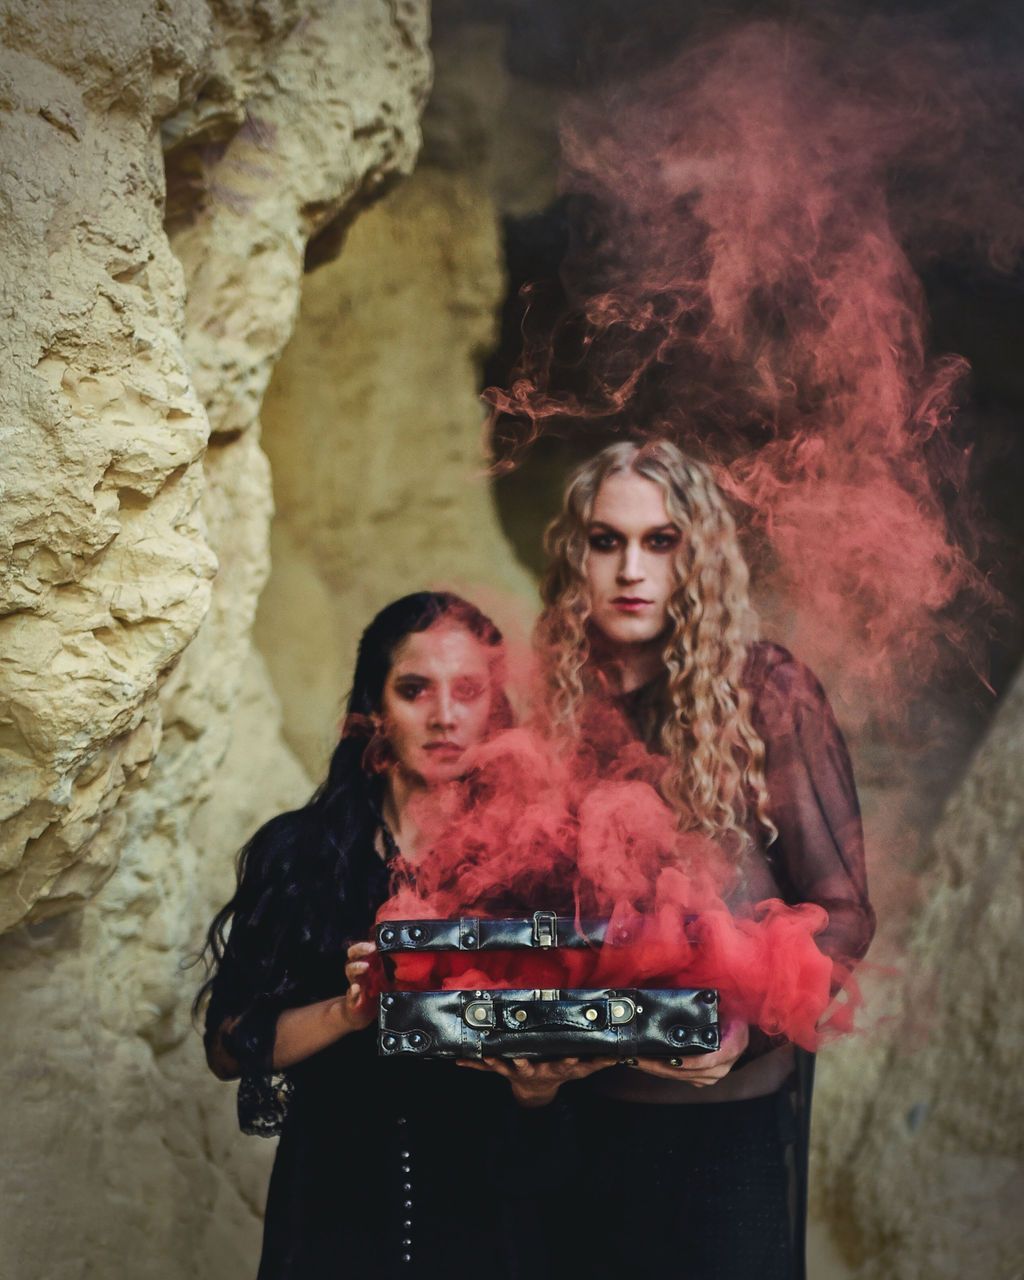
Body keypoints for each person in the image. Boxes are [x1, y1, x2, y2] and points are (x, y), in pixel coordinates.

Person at [535, 440, 876, 1280]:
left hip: (728, 1132)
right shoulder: (559, 700)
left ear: (701, 555)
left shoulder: (768, 691)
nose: (630, 569)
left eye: (662, 541)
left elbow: (843, 912)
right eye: (606, 540)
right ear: (576, 554)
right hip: (582, 1119)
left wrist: (744, 1033)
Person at [194, 591, 604, 1280]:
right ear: (374, 709)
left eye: (468, 691)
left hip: (492, 1227)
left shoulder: (542, 866)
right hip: (331, 1223)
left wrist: (540, 1089)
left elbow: (565, 1099)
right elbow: (229, 1045)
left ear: (494, 708)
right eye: (414, 690)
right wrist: (350, 1011)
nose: (444, 716)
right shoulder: (301, 854)